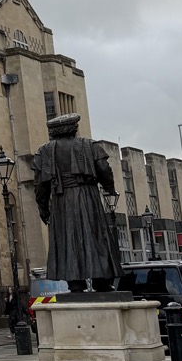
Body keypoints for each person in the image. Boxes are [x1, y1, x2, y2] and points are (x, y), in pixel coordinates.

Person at [33, 113, 123, 293]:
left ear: (52, 133)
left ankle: (75, 282)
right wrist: (109, 188)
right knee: (95, 236)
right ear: (74, 129)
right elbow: (104, 168)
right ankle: (101, 281)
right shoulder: (90, 145)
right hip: (88, 195)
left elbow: (40, 184)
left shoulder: (44, 151)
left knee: (68, 239)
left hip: (61, 199)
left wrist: (43, 207)